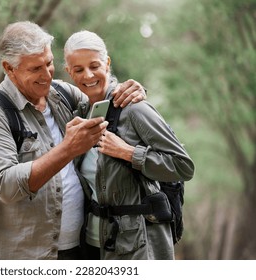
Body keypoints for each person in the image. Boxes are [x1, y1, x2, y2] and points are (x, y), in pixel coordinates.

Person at [0, 21, 146, 260]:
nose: (47, 75)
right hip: (19, 258)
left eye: (49, 63)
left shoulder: (60, 94)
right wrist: (68, 149)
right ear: (9, 69)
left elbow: (102, 94)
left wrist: (132, 90)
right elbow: (7, 186)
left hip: (75, 251)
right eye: (35, 69)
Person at [63, 30, 195, 260]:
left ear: (108, 63)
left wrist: (129, 153)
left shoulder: (134, 108)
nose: (88, 75)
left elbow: (183, 166)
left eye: (95, 66)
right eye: (78, 69)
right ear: (68, 72)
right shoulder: (76, 113)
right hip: (94, 244)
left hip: (139, 247)